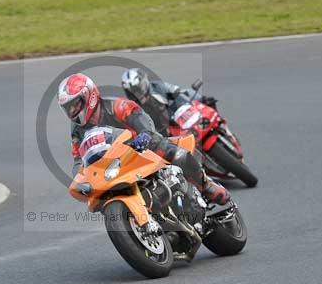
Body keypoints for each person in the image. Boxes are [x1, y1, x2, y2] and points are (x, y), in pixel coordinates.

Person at [57, 73, 230, 205]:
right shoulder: (77, 130)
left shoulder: (115, 105)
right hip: (115, 164)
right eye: (68, 108)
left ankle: (207, 186)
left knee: (173, 152)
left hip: (142, 147)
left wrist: (144, 134)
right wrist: (79, 178)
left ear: (89, 96)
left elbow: (139, 116)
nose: (72, 111)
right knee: (101, 199)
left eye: (75, 104)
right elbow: (78, 158)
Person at [121, 68, 218, 135]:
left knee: (188, 92)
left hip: (179, 118)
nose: (137, 93)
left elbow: (179, 93)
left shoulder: (158, 87)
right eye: (133, 92)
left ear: (145, 83)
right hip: (165, 134)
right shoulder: (133, 108)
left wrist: (200, 100)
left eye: (138, 88)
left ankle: (218, 122)